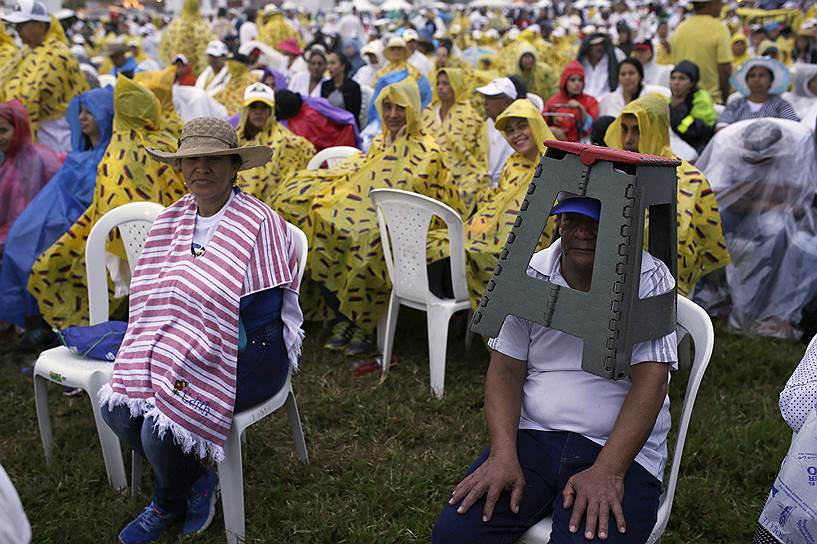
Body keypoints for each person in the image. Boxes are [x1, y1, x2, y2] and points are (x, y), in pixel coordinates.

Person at [98, 116, 303, 544]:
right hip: (181, 342)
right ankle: (196, 481)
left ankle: (165, 501)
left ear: (233, 167)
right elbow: (155, 298)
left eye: (213, 160)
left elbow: (259, 318)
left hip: (249, 351)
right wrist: (173, 345)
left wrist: (194, 348)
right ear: (180, 167)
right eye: (192, 160)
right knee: (118, 408)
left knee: (158, 430)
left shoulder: (258, 224)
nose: (201, 169)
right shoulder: (172, 220)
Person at [432, 197, 678, 544]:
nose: (582, 233)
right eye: (573, 220)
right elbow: (505, 372)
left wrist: (609, 470)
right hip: (534, 435)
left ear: (621, 229)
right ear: (557, 223)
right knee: (454, 536)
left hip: (616, 447)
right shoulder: (529, 272)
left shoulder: (648, 276)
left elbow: (651, 384)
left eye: (596, 223)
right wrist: (503, 454)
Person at [272, 77, 465, 356]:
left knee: (369, 239)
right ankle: (341, 314)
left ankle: (362, 321)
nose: (393, 115)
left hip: (414, 224)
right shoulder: (380, 141)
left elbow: (419, 193)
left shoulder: (428, 150)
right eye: (387, 107)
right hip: (370, 213)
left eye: (400, 108)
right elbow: (363, 177)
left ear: (412, 108)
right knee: (320, 222)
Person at [28, 76, 187, 330]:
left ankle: (82, 330)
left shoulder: (117, 152)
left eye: (88, 113)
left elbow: (109, 207)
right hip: (176, 245)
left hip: (135, 249)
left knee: (52, 268)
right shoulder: (167, 142)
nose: (82, 118)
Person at [0, 88, 113, 345]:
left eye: (90, 112)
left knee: (41, 259)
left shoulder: (109, 157)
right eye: (80, 112)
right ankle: (37, 323)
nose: (82, 118)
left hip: (87, 232)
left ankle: (49, 327)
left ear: (106, 115)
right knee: (21, 248)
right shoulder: (78, 156)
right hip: (63, 225)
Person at [427, 99, 555, 307]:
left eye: (522, 125)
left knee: (476, 253)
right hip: (494, 232)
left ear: (536, 124)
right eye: (510, 130)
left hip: (527, 245)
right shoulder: (513, 163)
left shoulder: (554, 166)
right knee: (441, 241)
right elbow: (498, 205)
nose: (516, 134)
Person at [697, 118, 817, 338]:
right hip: (742, 211)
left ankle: (761, 302)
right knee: (710, 221)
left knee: (777, 229)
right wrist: (761, 199)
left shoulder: (797, 147)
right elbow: (722, 197)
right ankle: (711, 289)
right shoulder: (729, 145)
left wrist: (753, 195)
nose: (757, 166)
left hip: (776, 215)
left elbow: (798, 203)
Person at [605, 93, 730, 297]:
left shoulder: (691, 180)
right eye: (624, 129)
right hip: (612, 283)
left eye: (638, 131)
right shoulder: (612, 173)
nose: (628, 140)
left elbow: (707, 244)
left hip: (671, 290)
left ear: (656, 131)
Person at [0, 0, 89, 153]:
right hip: (33, 131)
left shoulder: (57, 54)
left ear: (40, 25)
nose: (17, 30)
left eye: (22, 25)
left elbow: (29, 97)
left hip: (55, 135)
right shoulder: (25, 52)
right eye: (16, 25)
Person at [0, 99, 63, 265]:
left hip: (30, 243)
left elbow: (25, 220)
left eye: (3, 131)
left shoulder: (32, 162)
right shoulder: (8, 158)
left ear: (19, 129)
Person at [421, 68, 488, 211]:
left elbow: (477, 149)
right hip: (429, 168)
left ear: (456, 85)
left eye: (446, 83)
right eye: (438, 83)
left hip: (462, 170)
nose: (440, 87)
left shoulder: (468, 115)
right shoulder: (429, 111)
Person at [236, 83, 314, 204]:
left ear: (271, 111)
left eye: (264, 107)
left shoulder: (284, 141)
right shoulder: (235, 139)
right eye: (253, 107)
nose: (258, 112)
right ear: (246, 110)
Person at [669, 0, 732, 104]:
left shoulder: (680, 28)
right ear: (711, 4)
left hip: (683, 101)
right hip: (710, 102)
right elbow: (724, 70)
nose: (721, 7)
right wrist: (725, 100)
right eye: (720, 3)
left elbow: (676, 65)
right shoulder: (719, 28)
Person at [717, 57, 798, 128]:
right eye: (752, 76)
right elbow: (722, 125)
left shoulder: (781, 104)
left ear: (771, 81)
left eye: (762, 75)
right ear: (746, 81)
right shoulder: (735, 104)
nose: (756, 80)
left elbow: (793, 127)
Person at [476, 77, 521, 187]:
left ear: (507, 102)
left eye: (491, 98)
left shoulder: (518, 131)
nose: (485, 103)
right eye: (485, 98)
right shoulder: (487, 124)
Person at [668, 60, 717, 154]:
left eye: (682, 78)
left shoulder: (702, 99)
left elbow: (694, 130)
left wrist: (677, 108)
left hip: (698, 147)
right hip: (677, 145)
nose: (676, 82)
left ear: (692, 83)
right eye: (673, 78)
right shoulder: (670, 99)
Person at [544, 60, 599, 142]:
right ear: (565, 81)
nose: (577, 83)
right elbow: (542, 124)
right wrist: (552, 130)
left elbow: (589, 127)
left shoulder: (591, 101)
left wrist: (581, 108)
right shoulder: (554, 101)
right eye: (573, 80)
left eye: (580, 80)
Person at [159, 0, 215, 76]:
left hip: (175, 73)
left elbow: (165, 50)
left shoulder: (174, 26)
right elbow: (204, 53)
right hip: (195, 75)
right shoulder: (202, 27)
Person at [598, 59, 668, 118]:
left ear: (640, 76)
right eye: (623, 74)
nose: (627, 77)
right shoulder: (607, 101)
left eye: (631, 73)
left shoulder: (652, 99)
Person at [577, 32, 625, 100]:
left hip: (607, 102)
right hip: (584, 102)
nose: (599, 47)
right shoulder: (582, 62)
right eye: (595, 45)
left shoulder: (615, 57)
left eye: (602, 44)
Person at [321, 51, 362, 127]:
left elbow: (354, 114)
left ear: (342, 66)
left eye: (332, 63)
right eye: (328, 63)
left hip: (347, 127)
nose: (329, 67)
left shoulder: (353, 87)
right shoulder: (325, 85)